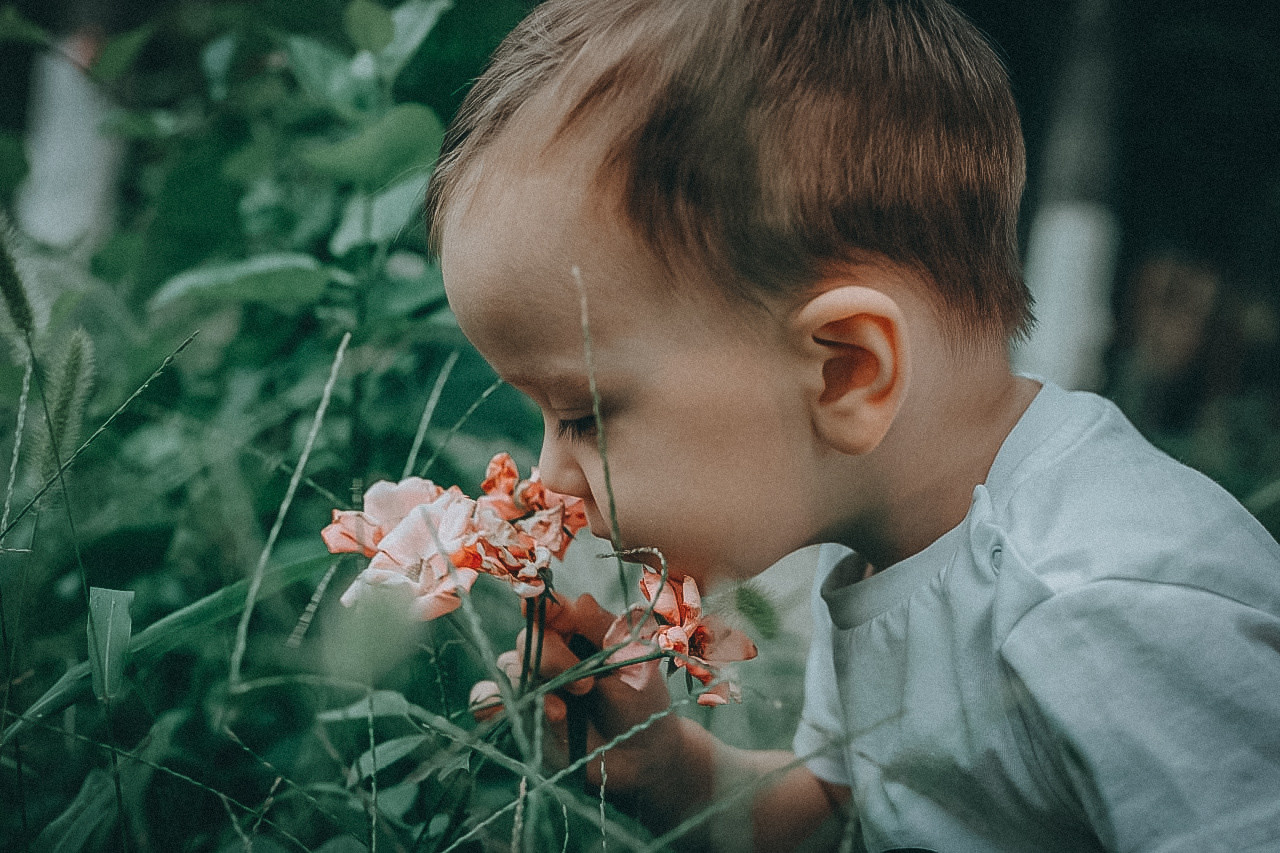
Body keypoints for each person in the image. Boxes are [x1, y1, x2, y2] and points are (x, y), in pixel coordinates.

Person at [425, 0, 1280, 849]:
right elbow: (843, 809)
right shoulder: (886, 539)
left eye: (580, 414)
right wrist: (672, 772)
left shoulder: (1108, 606)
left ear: (845, 371)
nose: (548, 483)